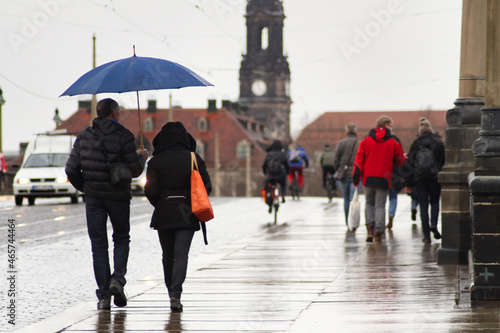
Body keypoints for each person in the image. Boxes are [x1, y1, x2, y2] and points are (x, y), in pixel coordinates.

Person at [66, 98, 148, 310]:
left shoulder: (83, 136)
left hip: (94, 198)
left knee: (98, 245)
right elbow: (135, 171)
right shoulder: (125, 136)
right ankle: (117, 280)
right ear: (113, 113)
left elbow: (71, 169)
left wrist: (86, 187)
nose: (120, 114)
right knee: (121, 238)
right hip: (118, 197)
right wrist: (142, 158)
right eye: (119, 111)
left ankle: (104, 297)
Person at [144, 122, 212, 312]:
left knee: (167, 255)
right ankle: (176, 294)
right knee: (181, 254)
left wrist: (161, 202)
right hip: (187, 212)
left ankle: (170, 292)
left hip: (164, 212)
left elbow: (150, 190)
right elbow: (207, 188)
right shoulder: (193, 158)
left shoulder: (155, 162)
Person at [352, 116, 406, 244]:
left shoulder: (365, 140)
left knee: (369, 203)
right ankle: (378, 233)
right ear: (387, 125)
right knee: (380, 205)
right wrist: (403, 158)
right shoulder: (393, 142)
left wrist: (356, 179)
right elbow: (400, 161)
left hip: (368, 179)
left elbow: (359, 161)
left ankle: (370, 228)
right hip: (384, 179)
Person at [407, 119, 445, 243]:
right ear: (431, 130)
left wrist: (408, 184)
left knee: (423, 206)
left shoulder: (416, 143)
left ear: (420, 131)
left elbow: (409, 165)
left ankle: (426, 235)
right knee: (434, 203)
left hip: (419, 179)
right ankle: (434, 223)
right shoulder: (438, 143)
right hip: (435, 178)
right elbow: (444, 161)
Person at [333, 122, 360, 227]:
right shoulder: (359, 143)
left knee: (346, 199)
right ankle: (353, 222)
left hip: (343, 175)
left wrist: (338, 169)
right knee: (354, 199)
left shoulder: (341, 143)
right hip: (356, 176)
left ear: (346, 131)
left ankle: (347, 221)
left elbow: (336, 159)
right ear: (356, 131)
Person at [262, 140, 289, 211]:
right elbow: (287, 165)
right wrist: (287, 172)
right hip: (281, 175)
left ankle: (269, 203)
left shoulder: (269, 154)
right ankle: (283, 195)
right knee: (283, 184)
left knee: (268, 186)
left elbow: (264, 165)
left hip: (270, 175)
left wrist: (265, 173)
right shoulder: (283, 154)